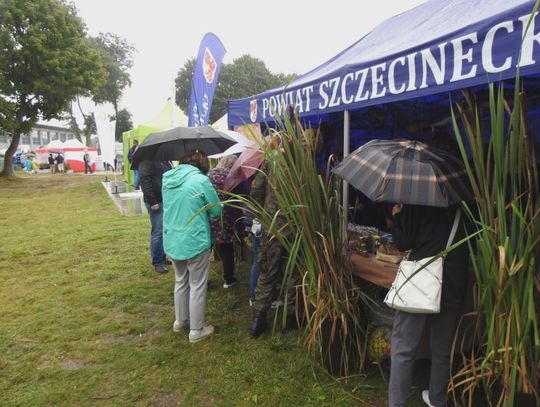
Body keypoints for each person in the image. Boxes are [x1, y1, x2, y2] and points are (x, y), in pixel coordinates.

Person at [388, 204, 469, 407]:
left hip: (420, 283)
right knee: (442, 350)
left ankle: (398, 403)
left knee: (403, 349)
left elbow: (403, 242)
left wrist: (398, 216)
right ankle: (437, 400)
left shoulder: (419, 200)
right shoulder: (464, 204)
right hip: (453, 283)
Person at [162, 150, 222, 343]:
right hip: (195, 240)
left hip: (172, 239)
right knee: (197, 285)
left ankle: (180, 321)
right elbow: (216, 210)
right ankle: (196, 331)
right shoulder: (200, 181)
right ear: (203, 164)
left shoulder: (167, 179)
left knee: (180, 280)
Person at [207, 155, 243, 288]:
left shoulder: (209, 174)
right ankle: (229, 279)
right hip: (227, 216)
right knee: (226, 246)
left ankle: (200, 279)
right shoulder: (233, 176)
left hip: (209, 214)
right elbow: (241, 197)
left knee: (208, 247)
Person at [139, 159, 173, 274]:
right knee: (158, 232)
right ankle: (158, 262)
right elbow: (145, 181)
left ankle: (163, 257)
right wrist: (152, 201)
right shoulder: (147, 161)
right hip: (156, 201)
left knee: (165, 231)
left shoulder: (165, 161)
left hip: (165, 199)